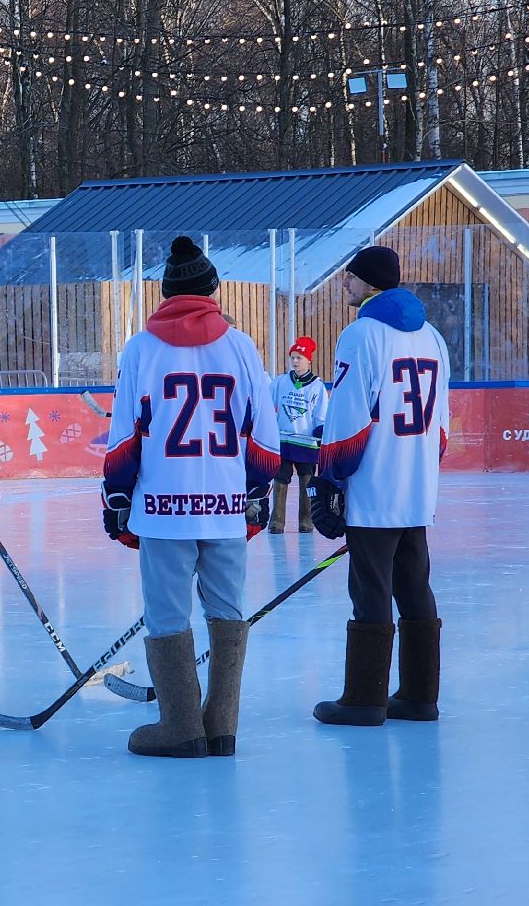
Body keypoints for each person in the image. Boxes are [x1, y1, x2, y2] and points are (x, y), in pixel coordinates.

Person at [101, 237, 279, 758]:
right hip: (224, 506)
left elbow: (125, 435)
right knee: (228, 611)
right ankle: (221, 726)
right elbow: (262, 432)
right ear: (213, 291)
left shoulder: (141, 348)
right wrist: (257, 490)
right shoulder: (241, 346)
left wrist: (116, 497)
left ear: (166, 294)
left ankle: (180, 726)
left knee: (167, 616)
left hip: (163, 507)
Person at [310, 245, 449, 727]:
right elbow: (442, 429)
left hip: (374, 488)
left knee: (370, 590)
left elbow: (347, 418)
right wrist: (422, 473)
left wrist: (328, 478)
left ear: (368, 284)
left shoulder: (361, 334)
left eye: (348, 278)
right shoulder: (432, 336)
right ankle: (418, 696)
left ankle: (364, 700)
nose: (344, 285)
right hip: (416, 488)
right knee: (414, 588)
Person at [270, 335, 330, 534]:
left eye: (299, 358)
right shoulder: (280, 382)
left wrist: (321, 433)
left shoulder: (317, 386)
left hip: (306, 443)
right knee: (280, 480)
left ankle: (306, 521)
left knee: (307, 481)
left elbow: (321, 415)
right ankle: (276, 522)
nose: (295, 361)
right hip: (283, 440)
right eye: (293, 357)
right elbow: (269, 407)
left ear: (308, 360)